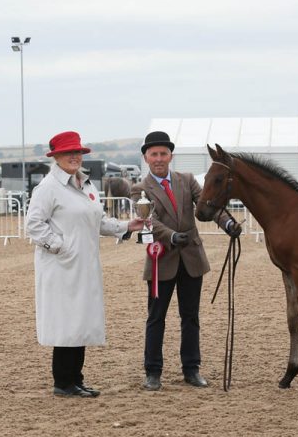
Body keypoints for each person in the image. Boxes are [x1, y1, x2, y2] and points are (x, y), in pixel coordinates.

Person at [26, 131, 145, 398]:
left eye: (77, 152)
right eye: (69, 153)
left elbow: (98, 221)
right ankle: (63, 381)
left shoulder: (87, 185)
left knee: (80, 319)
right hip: (61, 266)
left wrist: (127, 225)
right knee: (65, 321)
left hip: (85, 264)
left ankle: (75, 379)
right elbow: (34, 226)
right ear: (56, 157)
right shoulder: (48, 188)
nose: (74, 157)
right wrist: (60, 246)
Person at [131, 131, 242, 391]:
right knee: (156, 317)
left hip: (191, 258)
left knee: (190, 317)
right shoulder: (140, 189)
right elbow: (148, 221)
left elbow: (207, 204)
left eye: (163, 153)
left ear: (170, 156)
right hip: (162, 259)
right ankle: (153, 372)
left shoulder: (187, 180)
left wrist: (228, 223)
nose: (159, 158)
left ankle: (192, 369)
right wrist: (171, 236)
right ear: (146, 158)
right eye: (154, 154)